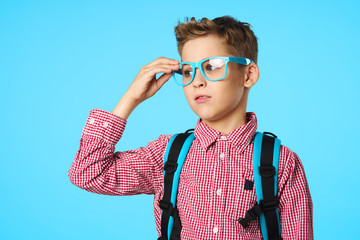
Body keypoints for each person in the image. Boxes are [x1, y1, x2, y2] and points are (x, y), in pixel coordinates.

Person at [68, 15, 313, 239]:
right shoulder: (165, 154)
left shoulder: (282, 163)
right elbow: (88, 174)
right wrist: (130, 99)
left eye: (212, 66)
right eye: (187, 72)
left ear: (248, 74)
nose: (197, 81)